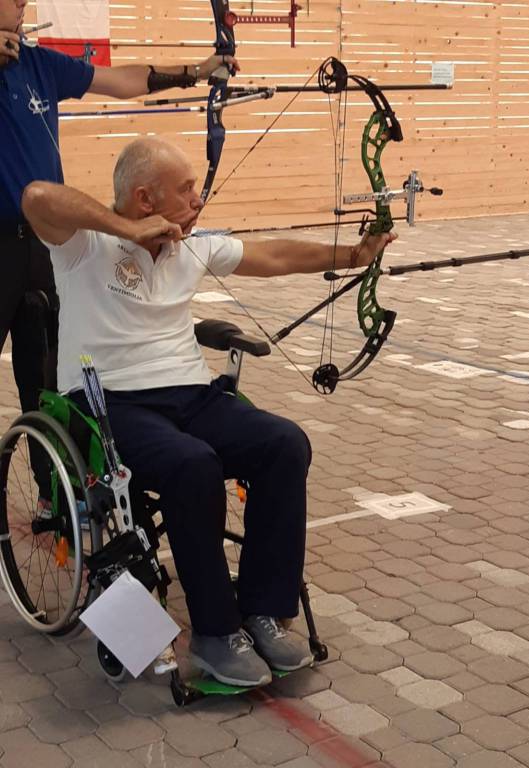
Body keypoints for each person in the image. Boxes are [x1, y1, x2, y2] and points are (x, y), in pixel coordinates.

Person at [21, 136, 397, 687]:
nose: (198, 198)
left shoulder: (192, 245)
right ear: (145, 199)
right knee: (192, 465)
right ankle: (216, 632)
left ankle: (263, 611)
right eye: (187, 189)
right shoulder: (83, 245)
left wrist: (353, 256)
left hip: (190, 396)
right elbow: (35, 196)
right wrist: (125, 231)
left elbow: (272, 255)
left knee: (284, 444)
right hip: (109, 404)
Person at [0, 0, 238, 505]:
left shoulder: (39, 63)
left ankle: (53, 495)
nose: (23, 2)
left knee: (44, 372)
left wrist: (195, 73)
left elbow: (117, 80)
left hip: (44, 242)